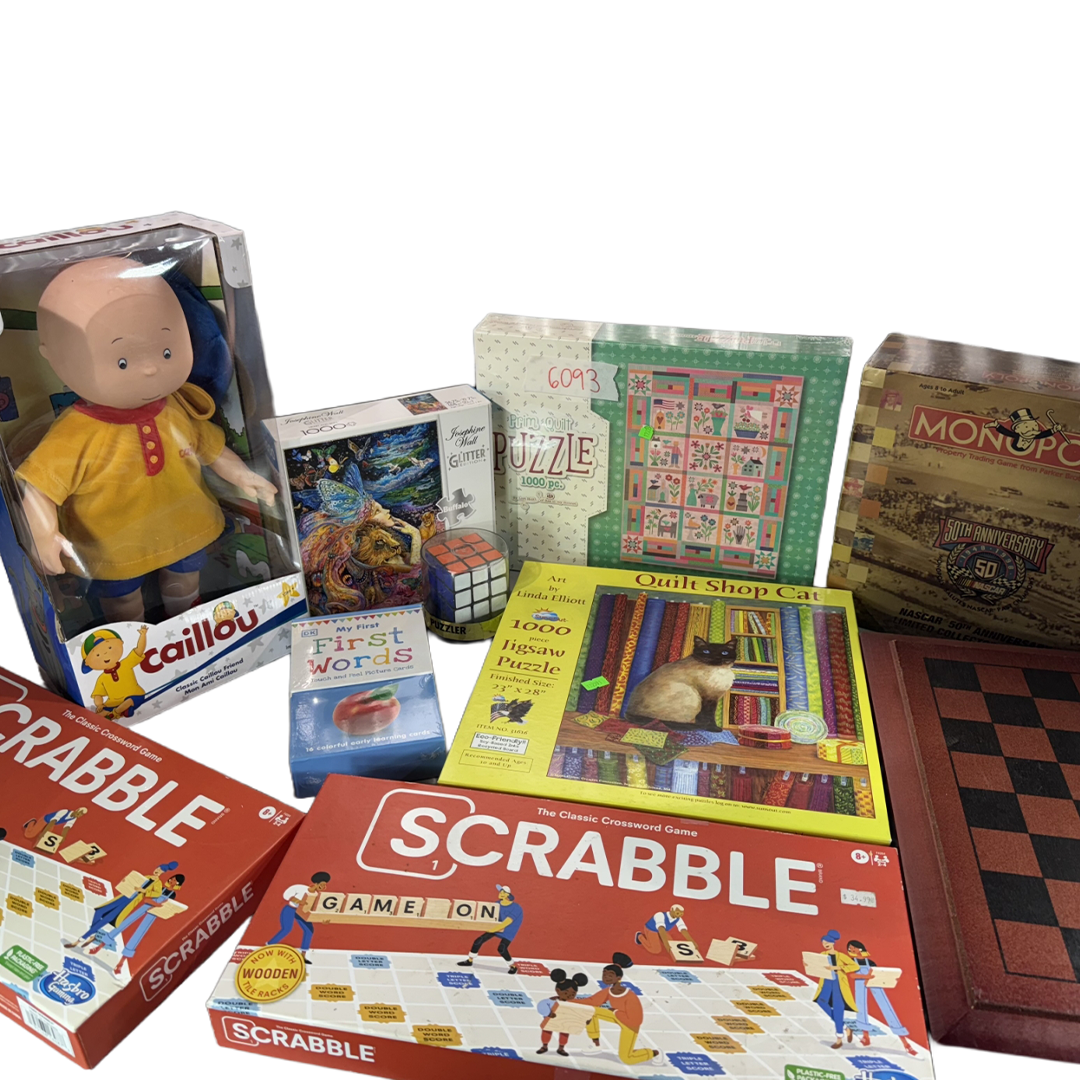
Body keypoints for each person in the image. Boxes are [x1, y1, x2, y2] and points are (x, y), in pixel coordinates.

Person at [16, 256, 277, 623]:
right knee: (123, 604)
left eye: (167, 352)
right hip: (113, 546)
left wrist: (244, 475)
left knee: (184, 584)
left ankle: (186, 624)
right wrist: (43, 535)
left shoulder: (176, 408)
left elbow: (212, 449)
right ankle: (132, 637)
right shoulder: (74, 434)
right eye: (123, 362)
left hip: (186, 526)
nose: (152, 367)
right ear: (56, 357)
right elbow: (41, 488)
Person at [89, 871, 185, 976]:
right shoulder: (160, 888)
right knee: (124, 924)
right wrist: (156, 904)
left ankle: (120, 964)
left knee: (138, 934)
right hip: (145, 907)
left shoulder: (173, 895)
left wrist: (158, 907)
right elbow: (146, 900)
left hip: (154, 913)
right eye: (172, 878)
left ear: (177, 883)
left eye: (174, 880)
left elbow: (166, 907)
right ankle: (99, 947)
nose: (171, 880)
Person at [65, 862, 178, 950]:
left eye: (160, 870)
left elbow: (157, 894)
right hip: (124, 896)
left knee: (107, 919)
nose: (157, 870)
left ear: (163, 873)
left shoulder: (158, 883)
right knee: (99, 911)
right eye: (158, 868)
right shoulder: (146, 876)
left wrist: (144, 891)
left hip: (130, 901)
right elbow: (133, 882)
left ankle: (79, 940)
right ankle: (93, 934)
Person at [579, 952, 661, 1065]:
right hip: (617, 1016)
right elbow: (591, 1001)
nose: (606, 977)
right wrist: (565, 1000)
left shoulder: (630, 996)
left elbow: (635, 1021)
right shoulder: (608, 991)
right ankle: (596, 1044)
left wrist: (616, 1012)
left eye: (610, 975)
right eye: (604, 974)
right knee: (589, 1010)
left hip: (630, 1025)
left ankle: (654, 1053)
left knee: (627, 1059)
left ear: (618, 978)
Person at [845, 939, 918, 1057]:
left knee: (886, 1007)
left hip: (874, 982)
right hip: (860, 983)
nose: (851, 950)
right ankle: (866, 1038)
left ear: (860, 948)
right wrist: (865, 976)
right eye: (850, 948)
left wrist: (892, 978)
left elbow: (880, 974)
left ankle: (906, 1044)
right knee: (861, 1008)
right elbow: (852, 975)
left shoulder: (870, 962)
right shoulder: (852, 962)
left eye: (853, 947)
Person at [81, 626, 148, 718]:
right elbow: (98, 695)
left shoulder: (126, 663)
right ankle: (125, 711)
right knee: (99, 716)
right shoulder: (102, 678)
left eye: (109, 647)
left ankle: (117, 713)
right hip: (112, 703)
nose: (105, 654)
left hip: (135, 696)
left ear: (120, 643)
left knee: (128, 702)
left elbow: (139, 650)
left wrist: (143, 635)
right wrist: (100, 705)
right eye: (98, 655)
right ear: (88, 664)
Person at [457, 884, 523, 974]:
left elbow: (507, 922)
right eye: (500, 892)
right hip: (496, 927)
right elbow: (489, 916)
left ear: (508, 895)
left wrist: (491, 930)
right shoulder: (497, 904)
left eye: (503, 892)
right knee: (478, 941)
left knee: (502, 948)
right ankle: (470, 960)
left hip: (508, 930)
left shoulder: (516, 907)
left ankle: (513, 966)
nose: (501, 893)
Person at [266, 871, 331, 963]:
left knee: (309, 931)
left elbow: (316, 909)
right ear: (316, 883)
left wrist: (322, 920)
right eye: (322, 884)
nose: (323, 887)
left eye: (325, 885)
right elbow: (286, 895)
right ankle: (268, 947)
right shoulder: (300, 888)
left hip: (303, 913)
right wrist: (299, 901)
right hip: (290, 909)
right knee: (286, 929)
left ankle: (303, 956)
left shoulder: (317, 895)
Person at [812, 929, 858, 1048]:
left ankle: (839, 1039)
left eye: (827, 942)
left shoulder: (840, 956)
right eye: (823, 943)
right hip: (826, 981)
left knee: (838, 1009)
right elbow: (817, 966)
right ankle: (845, 1027)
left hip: (838, 983)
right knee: (821, 1001)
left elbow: (855, 966)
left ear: (833, 943)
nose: (825, 944)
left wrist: (838, 967)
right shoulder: (822, 955)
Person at [536, 969, 589, 1057]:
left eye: (573, 994)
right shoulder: (552, 1001)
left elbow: (581, 1012)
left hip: (565, 1022)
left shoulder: (574, 1003)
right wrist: (548, 1013)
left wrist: (585, 1019)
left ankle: (561, 1048)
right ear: (558, 990)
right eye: (566, 992)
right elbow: (542, 1005)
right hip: (550, 1020)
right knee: (546, 1032)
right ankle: (544, 1046)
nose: (569, 995)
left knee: (565, 1034)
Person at [634, 904, 698, 959]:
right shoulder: (660, 915)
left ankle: (653, 939)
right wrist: (666, 944)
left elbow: (683, 930)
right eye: (677, 913)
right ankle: (640, 936)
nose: (679, 915)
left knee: (672, 944)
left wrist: (692, 941)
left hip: (663, 931)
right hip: (651, 929)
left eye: (681, 914)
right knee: (656, 950)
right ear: (672, 910)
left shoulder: (678, 918)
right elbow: (661, 929)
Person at [23, 806, 88, 841]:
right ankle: (32, 822)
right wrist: (43, 833)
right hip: (46, 820)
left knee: (44, 838)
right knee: (29, 835)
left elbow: (67, 827)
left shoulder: (74, 818)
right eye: (80, 813)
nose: (79, 815)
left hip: (52, 824)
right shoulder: (65, 811)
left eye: (81, 815)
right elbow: (53, 821)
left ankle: (40, 830)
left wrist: (62, 838)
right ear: (77, 810)